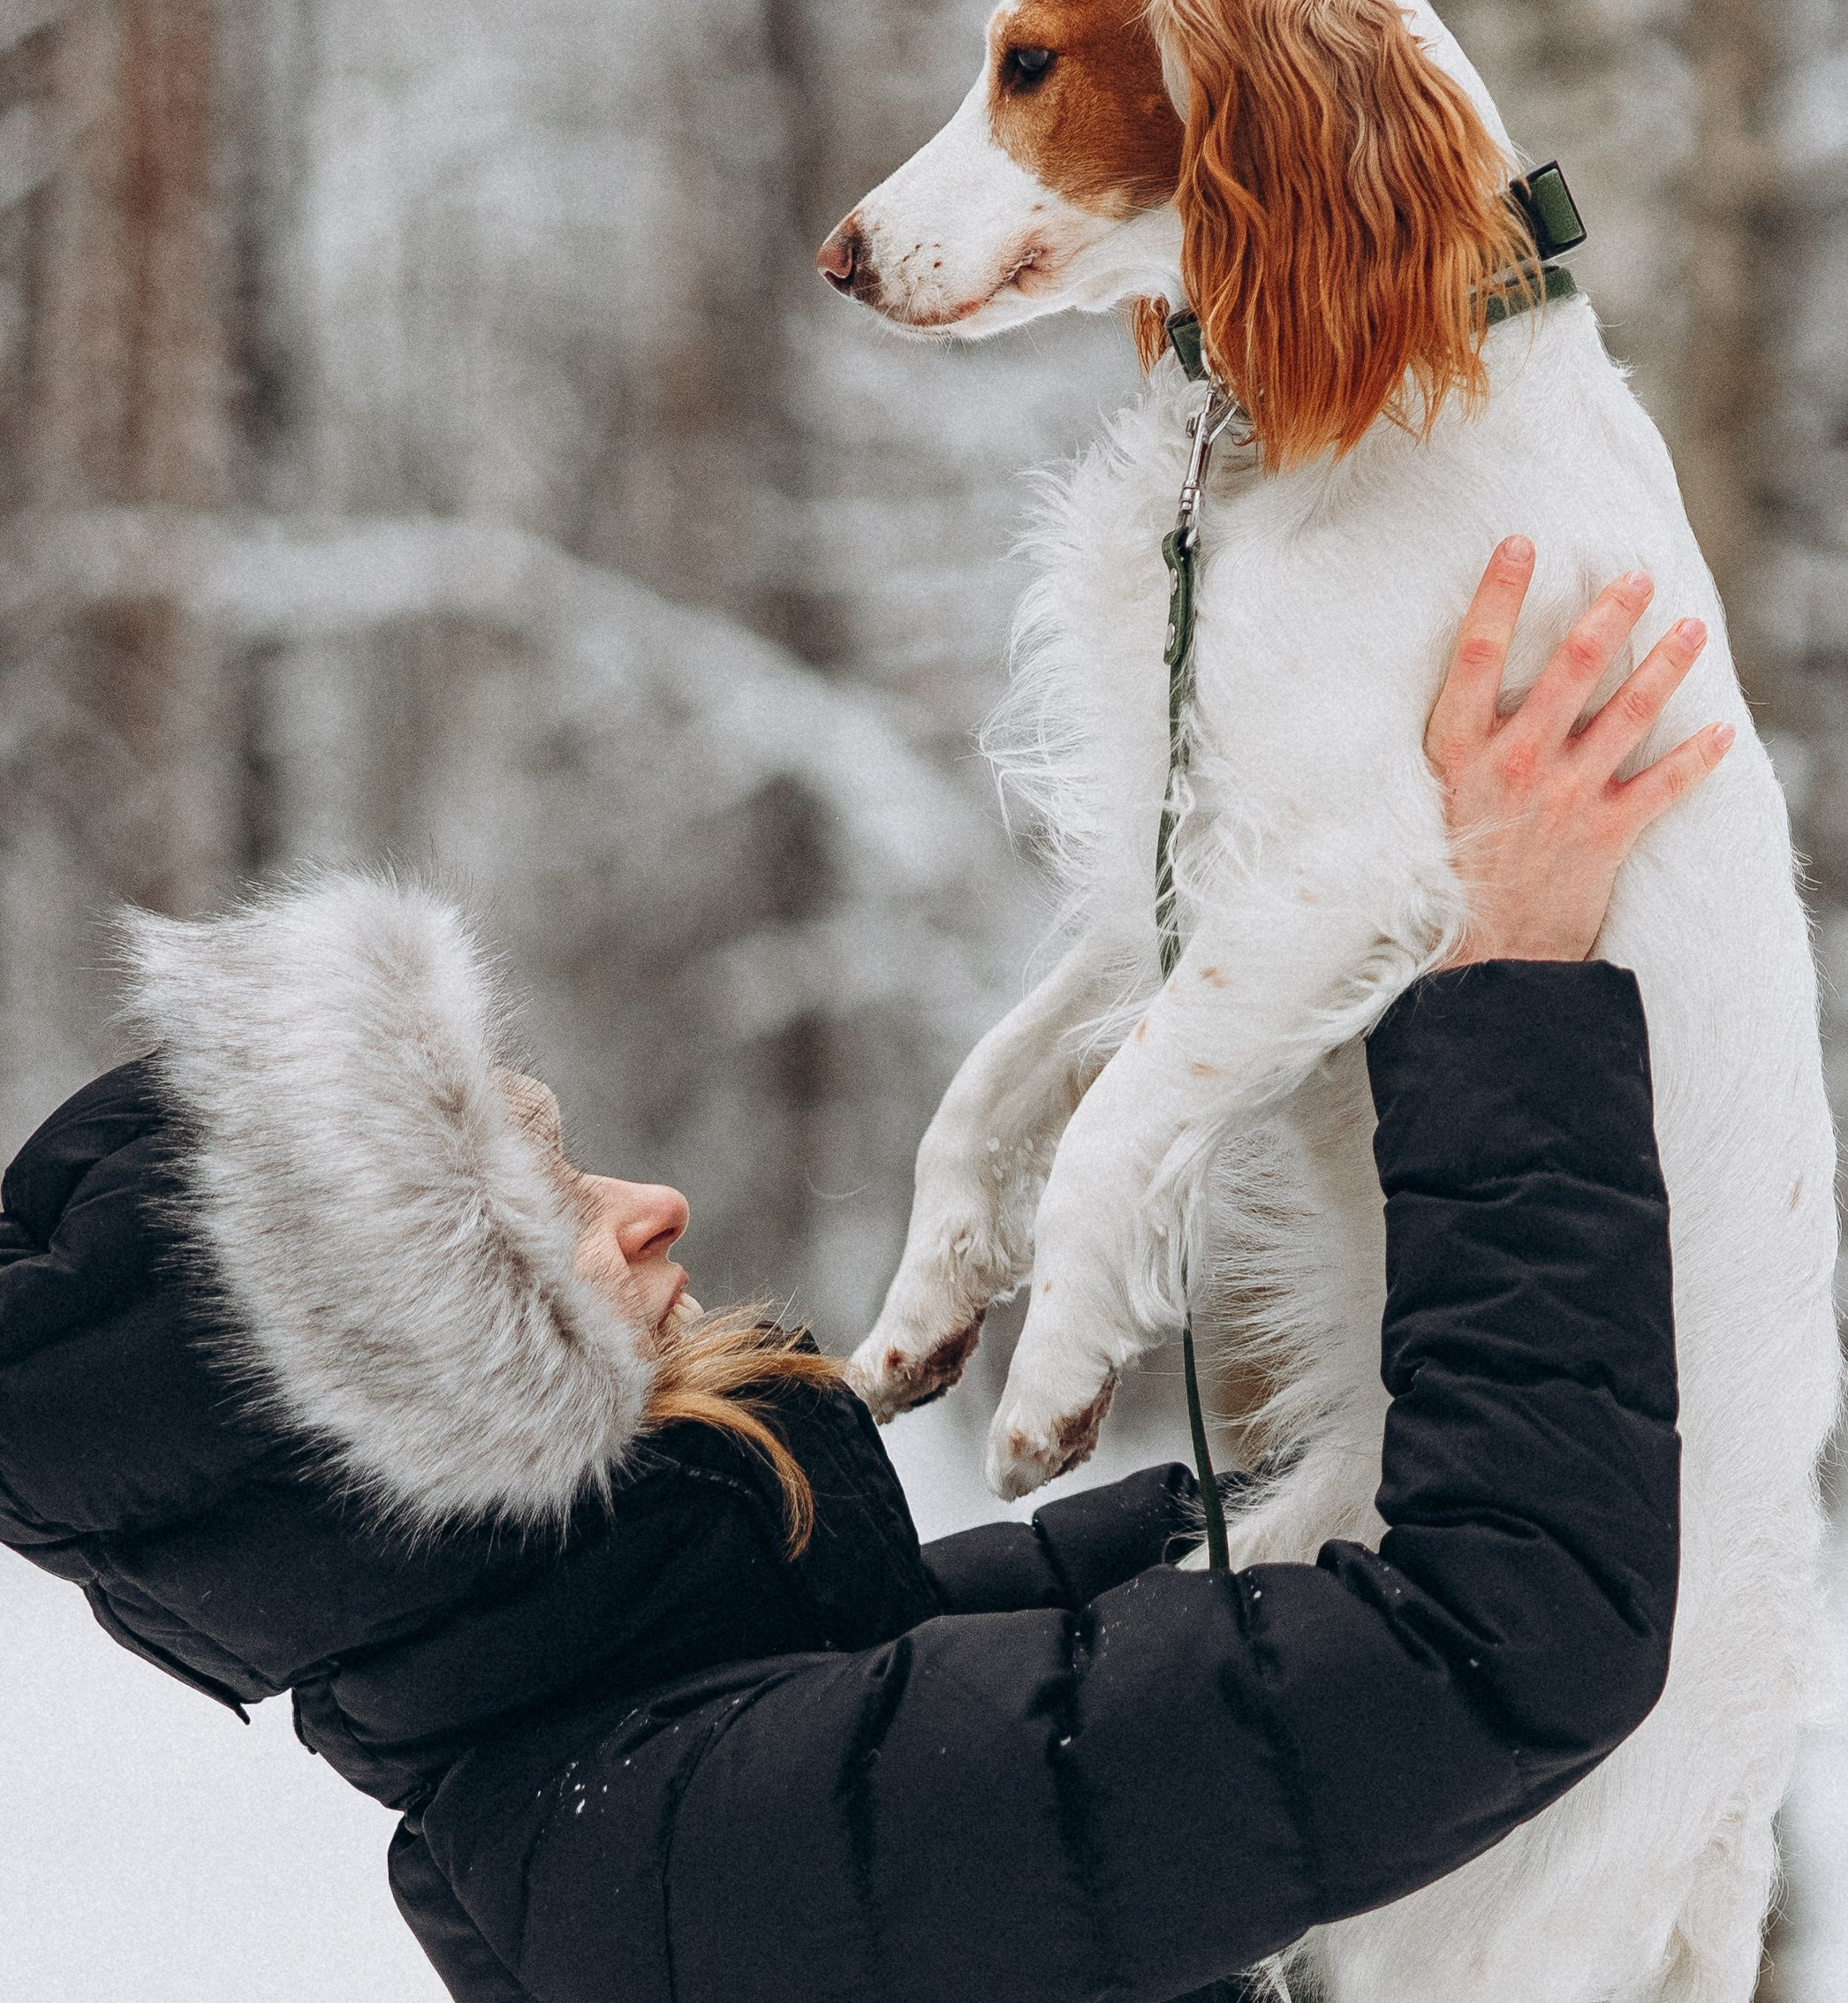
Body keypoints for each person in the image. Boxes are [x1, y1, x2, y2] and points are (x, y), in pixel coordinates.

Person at [0, 542, 1723, 2003]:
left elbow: (1137, 1611)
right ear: (413, 1415)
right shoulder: (711, 1850)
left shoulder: (657, 1743)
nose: (653, 1203)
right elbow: (1500, 1636)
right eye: (541, 1222)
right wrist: (1504, 986)